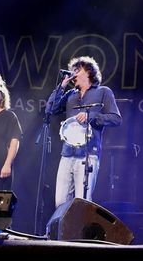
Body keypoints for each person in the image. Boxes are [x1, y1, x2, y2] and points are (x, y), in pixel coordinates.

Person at [47, 56, 121, 207]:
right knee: (60, 202)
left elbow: (116, 119)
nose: (73, 74)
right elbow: (51, 109)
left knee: (82, 203)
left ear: (88, 72)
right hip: (67, 154)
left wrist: (91, 116)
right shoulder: (70, 95)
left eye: (77, 70)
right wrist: (61, 87)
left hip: (88, 154)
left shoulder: (103, 91)